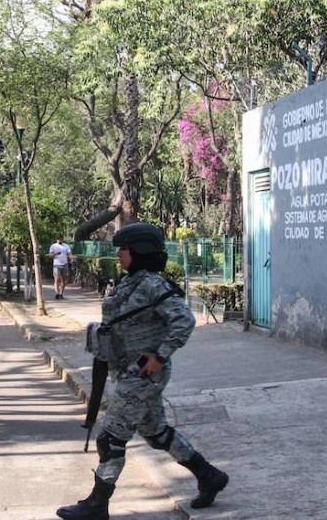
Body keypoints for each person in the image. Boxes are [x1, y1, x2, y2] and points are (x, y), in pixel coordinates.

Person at [56, 222, 229, 519]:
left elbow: (183, 320)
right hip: (126, 371)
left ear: (140, 251)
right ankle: (208, 476)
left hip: (143, 374)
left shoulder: (152, 284)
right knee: (156, 433)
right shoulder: (130, 282)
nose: (120, 254)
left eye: (124, 249)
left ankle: (97, 505)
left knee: (110, 439)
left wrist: (160, 356)